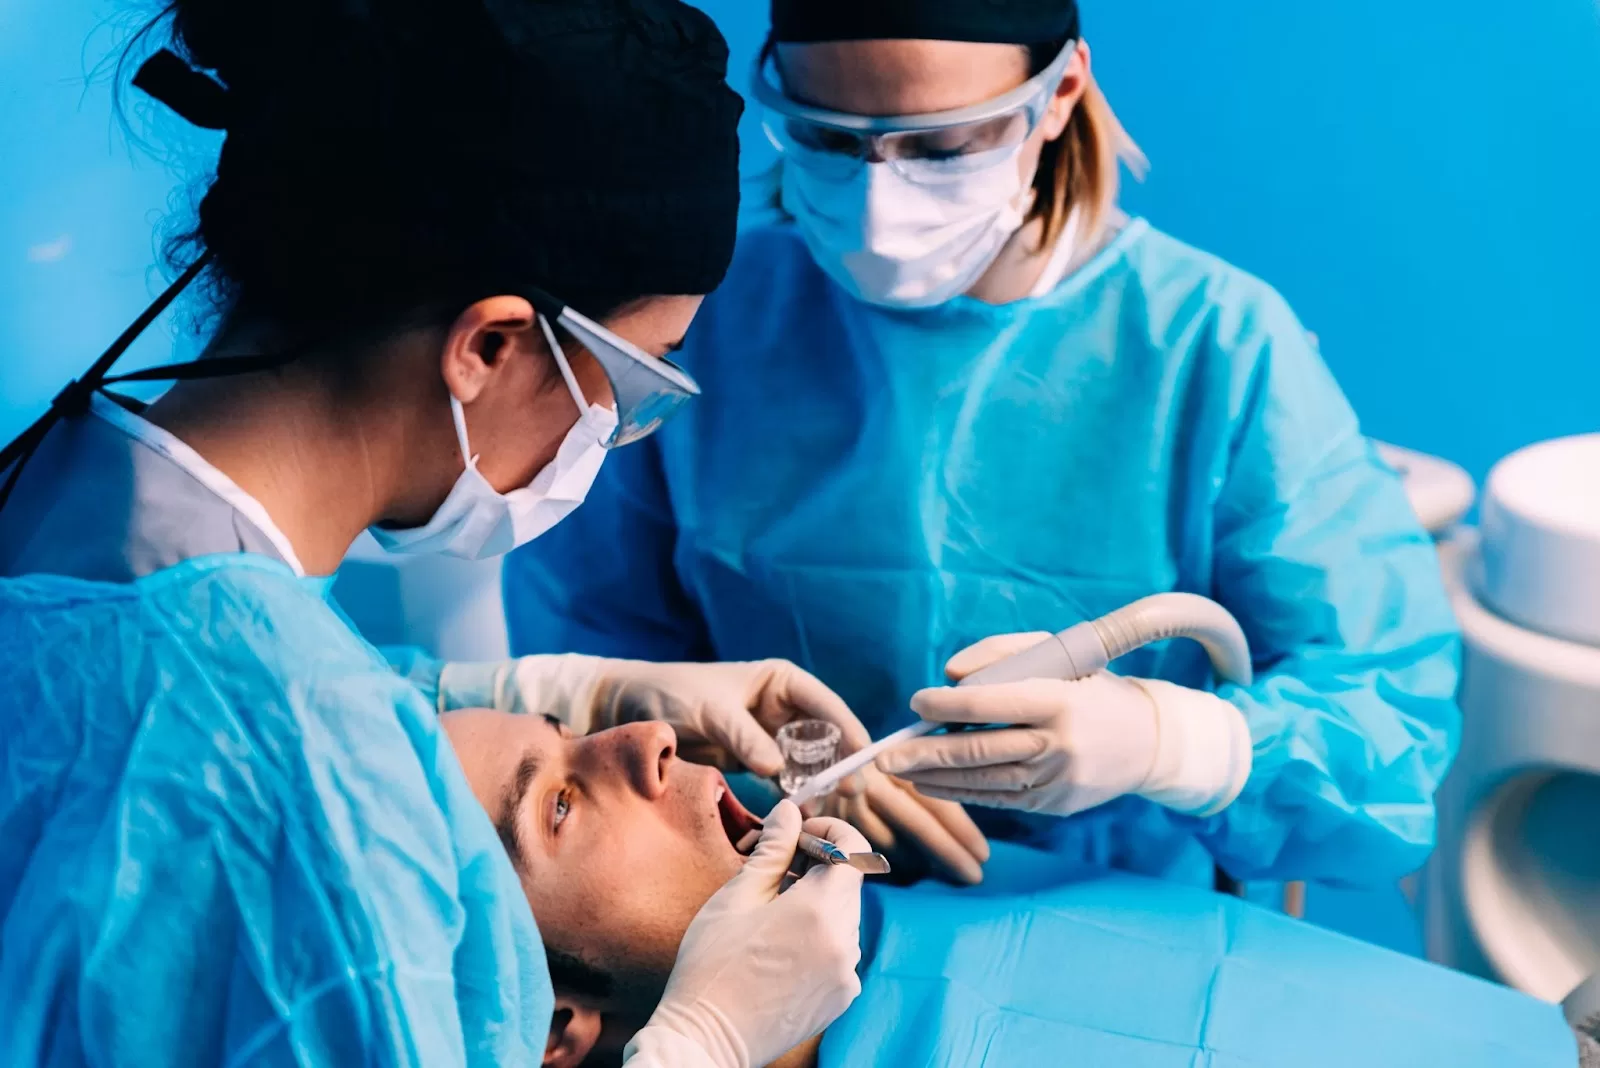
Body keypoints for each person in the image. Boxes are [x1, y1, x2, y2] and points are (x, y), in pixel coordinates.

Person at [0, 1, 867, 1064]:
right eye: (629, 386)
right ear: (491, 345)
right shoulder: (314, 786)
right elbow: (264, 758)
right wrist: (699, 1044)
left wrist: (554, 698)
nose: (614, 437)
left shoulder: (67, 486)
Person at [495, 0, 1463, 889]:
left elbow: (1391, 726)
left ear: (1060, 95)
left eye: (943, 146)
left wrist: (1168, 744)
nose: (879, 206)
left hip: (1120, 918)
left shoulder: (1212, 344)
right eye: (827, 140)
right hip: (780, 897)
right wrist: (786, 771)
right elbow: (595, 663)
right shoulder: (705, 318)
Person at [439, 707, 1596, 1068]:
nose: (646, 737)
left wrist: (1178, 741)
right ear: (554, 1024)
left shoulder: (965, 884)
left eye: (575, 727)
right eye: (558, 806)